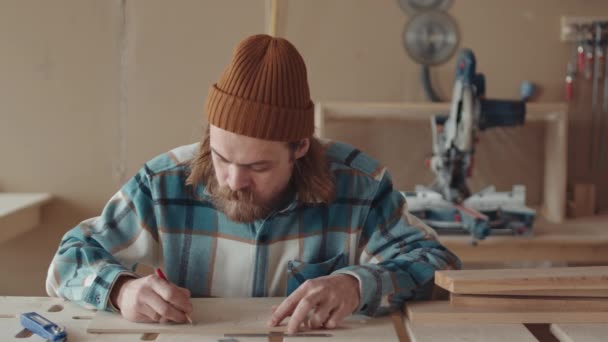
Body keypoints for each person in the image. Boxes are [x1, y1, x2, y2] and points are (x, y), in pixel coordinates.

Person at [46, 34, 460, 334]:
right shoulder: (162, 182)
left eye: (258, 167)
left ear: (299, 146)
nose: (232, 180)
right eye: (222, 157)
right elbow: (68, 261)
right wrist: (121, 290)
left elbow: (438, 266)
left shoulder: (360, 184)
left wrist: (356, 285)